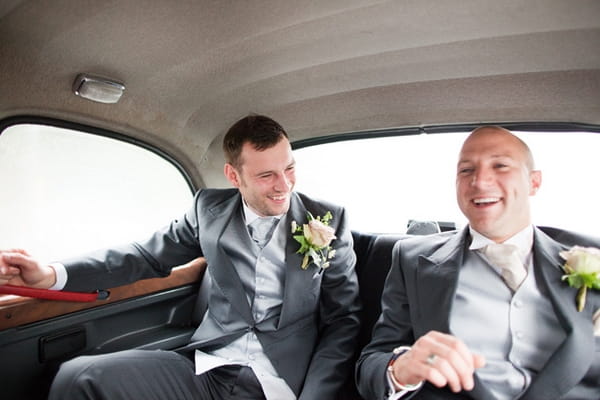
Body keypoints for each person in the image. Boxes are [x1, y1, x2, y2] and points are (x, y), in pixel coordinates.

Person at [0, 115, 361, 400]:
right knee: (77, 377)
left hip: (282, 380)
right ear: (233, 176)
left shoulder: (328, 220)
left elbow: (343, 320)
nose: (284, 185)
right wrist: (49, 274)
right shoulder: (209, 210)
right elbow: (142, 257)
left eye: (289, 168)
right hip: (208, 366)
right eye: (267, 175)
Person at [356, 126, 600, 400]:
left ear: (534, 182)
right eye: (466, 170)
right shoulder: (412, 260)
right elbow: (370, 367)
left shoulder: (590, 255)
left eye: (500, 166)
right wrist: (402, 367)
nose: (480, 181)